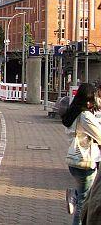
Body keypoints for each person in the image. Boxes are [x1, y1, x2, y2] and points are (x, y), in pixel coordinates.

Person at [62, 83, 101, 225]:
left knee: (85, 194)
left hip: (75, 162)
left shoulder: (73, 112)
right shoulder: (85, 116)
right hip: (86, 162)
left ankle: (74, 195)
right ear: (88, 99)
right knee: (84, 203)